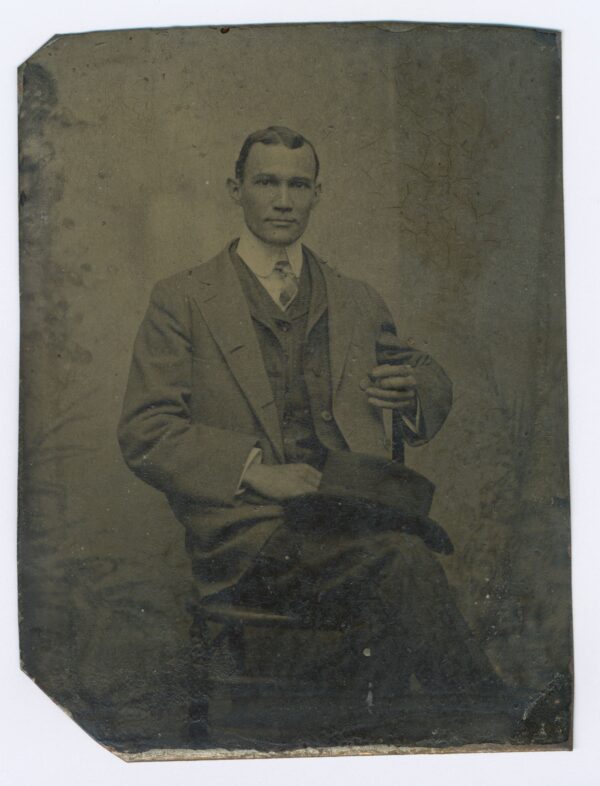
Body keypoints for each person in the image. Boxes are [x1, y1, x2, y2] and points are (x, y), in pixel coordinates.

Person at [118, 126, 504, 746]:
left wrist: (414, 390)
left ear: (317, 194)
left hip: (346, 515)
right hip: (249, 535)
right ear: (236, 189)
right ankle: (491, 728)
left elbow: (416, 370)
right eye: (266, 182)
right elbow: (146, 429)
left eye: (298, 185)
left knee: (400, 557)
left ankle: (383, 732)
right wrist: (253, 469)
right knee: (403, 562)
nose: (282, 199)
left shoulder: (353, 299)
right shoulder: (184, 300)